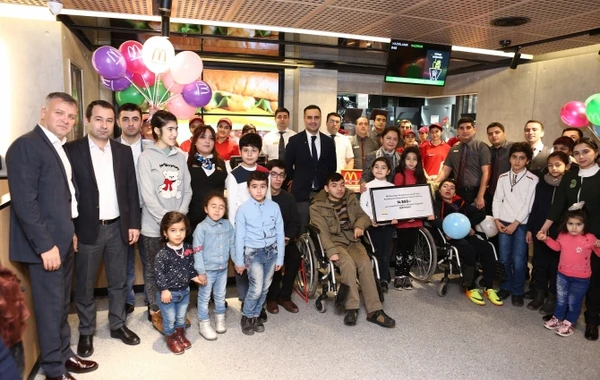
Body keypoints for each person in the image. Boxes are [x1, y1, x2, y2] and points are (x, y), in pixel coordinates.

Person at [6, 92, 98, 379]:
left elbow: (65, 196)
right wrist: (46, 245)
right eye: (60, 113)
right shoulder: (26, 146)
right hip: (44, 246)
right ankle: (54, 370)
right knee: (49, 309)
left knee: (60, 305)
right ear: (43, 112)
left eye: (71, 116)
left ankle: (64, 354)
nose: (66, 120)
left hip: (63, 238)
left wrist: (70, 232)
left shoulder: (58, 146)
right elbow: (25, 203)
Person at [66, 100, 141, 357]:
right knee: (85, 285)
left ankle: (118, 324)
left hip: (118, 227)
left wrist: (133, 224)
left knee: (119, 282)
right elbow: (66, 194)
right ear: (87, 120)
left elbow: (131, 190)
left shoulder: (123, 152)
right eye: (99, 119)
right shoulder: (71, 151)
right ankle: (86, 330)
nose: (104, 125)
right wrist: (71, 230)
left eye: (109, 120)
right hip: (87, 228)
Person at [310, 173, 395, 328]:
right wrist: (330, 251)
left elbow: (364, 216)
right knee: (347, 264)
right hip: (335, 243)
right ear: (326, 188)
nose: (340, 189)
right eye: (334, 185)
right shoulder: (317, 207)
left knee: (365, 263)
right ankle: (352, 308)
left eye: (342, 184)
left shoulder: (351, 198)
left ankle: (374, 311)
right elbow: (322, 232)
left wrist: (359, 226)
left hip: (352, 240)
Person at [539, 137, 600, 341]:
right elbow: (558, 206)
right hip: (569, 234)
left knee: (594, 281)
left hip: (595, 238)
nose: (581, 156)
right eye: (577, 153)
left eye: (585, 152)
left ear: (596, 153)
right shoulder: (570, 176)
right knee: (564, 276)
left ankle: (592, 320)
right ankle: (561, 314)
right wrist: (545, 228)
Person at [138, 110, 192, 332]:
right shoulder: (146, 157)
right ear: (157, 131)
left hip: (177, 225)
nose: (174, 133)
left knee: (177, 268)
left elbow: (187, 191)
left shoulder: (180, 157)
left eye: (176, 129)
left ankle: (175, 309)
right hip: (153, 226)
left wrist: (178, 219)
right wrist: (168, 222)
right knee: (153, 270)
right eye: (170, 129)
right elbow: (147, 196)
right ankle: (156, 311)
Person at [432, 179, 503, 306]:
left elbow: (480, 214)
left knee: (486, 247)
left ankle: (489, 287)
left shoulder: (460, 202)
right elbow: (433, 220)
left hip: (465, 234)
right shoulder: (435, 204)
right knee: (469, 250)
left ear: (454, 192)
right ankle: (469, 287)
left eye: (452, 187)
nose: (448, 189)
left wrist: (467, 225)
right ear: (439, 189)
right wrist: (447, 229)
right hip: (450, 237)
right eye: (445, 186)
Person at [233, 172, 285, 335]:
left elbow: (279, 233)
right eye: (254, 187)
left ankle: (256, 314)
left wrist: (280, 257)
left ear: (267, 188)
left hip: (271, 253)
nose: (259, 191)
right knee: (256, 288)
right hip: (253, 254)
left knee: (264, 288)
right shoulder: (243, 210)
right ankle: (247, 316)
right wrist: (239, 261)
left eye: (263, 187)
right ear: (249, 189)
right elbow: (239, 237)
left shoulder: (274, 207)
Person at [538, 206, 600, 337]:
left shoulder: (590, 238)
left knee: (574, 302)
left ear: (585, 224)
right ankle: (557, 317)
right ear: (566, 223)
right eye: (570, 224)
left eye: (578, 224)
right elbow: (557, 247)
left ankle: (570, 322)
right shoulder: (563, 235)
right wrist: (546, 239)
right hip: (562, 275)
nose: (574, 227)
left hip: (581, 278)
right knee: (561, 299)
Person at [493, 142, 538, 306]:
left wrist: (515, 224)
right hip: (503, 222)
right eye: (514, 157)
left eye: (521, 158)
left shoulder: (533, 179)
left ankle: (518, 290)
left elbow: (528, 205)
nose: (517, 161)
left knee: (519, 259)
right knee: (504, 257)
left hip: (520, 224)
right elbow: (497, 199)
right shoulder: (503, 177)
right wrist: (496, 219)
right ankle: (505, 286)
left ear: (527, 160)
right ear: (510, 159)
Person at [526, 152, 571, 313]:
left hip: (560, 231)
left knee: (555, 265)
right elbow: (535, 206)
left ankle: (552, 298)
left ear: (567, 166)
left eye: (558, 164)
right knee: (539, 263)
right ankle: (539, 294)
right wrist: (531, 229)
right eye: (550, 165)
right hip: (540, 228)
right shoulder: (542, 182)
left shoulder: (569, 183)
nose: (553, 168)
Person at [116, 103, 149, 315]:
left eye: (135, 119)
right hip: (123, 213)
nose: (130, 123)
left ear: (141, 122)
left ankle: (152, 298)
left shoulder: (152, 147)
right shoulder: (109, 147)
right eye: (125, 119)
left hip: (148, 210)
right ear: (118, 121)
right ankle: (127, 300)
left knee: (151, 260)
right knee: (124, 262)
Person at [284, 105, 336, 232]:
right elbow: (287, 165)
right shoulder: (294, 140)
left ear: (321, 119)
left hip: (322, 195)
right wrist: (294, 179)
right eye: (309, 117)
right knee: (301, 230)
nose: (313, 121)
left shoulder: (328, 141)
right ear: (304, 119)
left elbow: (332, 167)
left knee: (323, 229)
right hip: (301, 194)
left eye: (316, 117)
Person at [155, 212, 198, 354]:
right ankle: (171, 337)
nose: (178, 234)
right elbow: (159, 274)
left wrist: (195, 278)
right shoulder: (162, 255)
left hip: (184, 291)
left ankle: (180, 333)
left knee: (181, 316)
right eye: (173, 230)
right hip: (168, 293)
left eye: (182, 230)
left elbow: (190, 267)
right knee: (169, 318)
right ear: (165, 233)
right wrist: (164, 290)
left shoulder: (188, 249)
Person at [192, 192, 234, 340]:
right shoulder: (201, 228)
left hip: (222, 269)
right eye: (213, 206)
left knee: (220, 295)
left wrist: (237, 262)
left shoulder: (227, 225)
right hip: (207, 270)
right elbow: (197, 251)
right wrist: (201, 272)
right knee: (204, 297)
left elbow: (232, 245)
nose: (217, 210)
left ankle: (219, 316)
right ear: (206, 209)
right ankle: (203, 323)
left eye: (221, 207)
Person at [265, 159, 302, 314]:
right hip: (267, 242)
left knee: (294, 256)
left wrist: (287, 237)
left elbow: (296, 222)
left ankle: (285, 296)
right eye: (274, 175)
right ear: (267, 176)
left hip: (285, 240)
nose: (278, 179)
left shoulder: (288, 198)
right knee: (272, 259)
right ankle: (272, 298)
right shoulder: (262, 197)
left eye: (281, 175)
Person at [393, 146, 431, 290]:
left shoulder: (421, 176)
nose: (411, 162)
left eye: (414, 159)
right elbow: (397, 198)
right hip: (403, 220)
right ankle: (398, 276)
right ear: (403, 160)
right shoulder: (399, 175)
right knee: (401, 248)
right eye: (408, 159)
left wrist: (418, 213)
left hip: (416, 220)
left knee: (410, 248)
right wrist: (404, 215)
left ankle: (406, 275)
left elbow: (423, 199)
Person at [435, 117, 491, 209]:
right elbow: (445, 171)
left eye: (468, 127)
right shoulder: (454, 149)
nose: (465, 131)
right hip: (458, 193)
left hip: (476, 192)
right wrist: (434, 185)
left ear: (474, 130)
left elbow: (487, 173)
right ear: (458, 131)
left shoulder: (481, 147)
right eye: (462, 128)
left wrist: (480, 196)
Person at [360, 157, 396, 291]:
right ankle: (374, 277)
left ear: (388, 171)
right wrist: (370, 219)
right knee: (374, 252)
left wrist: (394, 217)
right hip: (372, 225)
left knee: (385, 252)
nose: (379, 170)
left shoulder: (392, 187)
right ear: (372, 169)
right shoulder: (367, 187)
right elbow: (363, 205)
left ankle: (384, 280)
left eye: (383, 167)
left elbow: (394, 206)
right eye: (376, 167)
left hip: (387, 225)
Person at [186, 125, 227, 234]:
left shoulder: (222, 163)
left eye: (211, 138)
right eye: (203, 137)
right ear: (195, 141)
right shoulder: (187, 162)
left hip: (217, 221)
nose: (207, 141)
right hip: (193, 221)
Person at [485, 122, 513, 214]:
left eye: (497, 132)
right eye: (490, 134)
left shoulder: (513, 148)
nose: (494, 135)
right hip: (491, 194)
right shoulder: (487, 151)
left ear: (504, 133)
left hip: (509, 195)